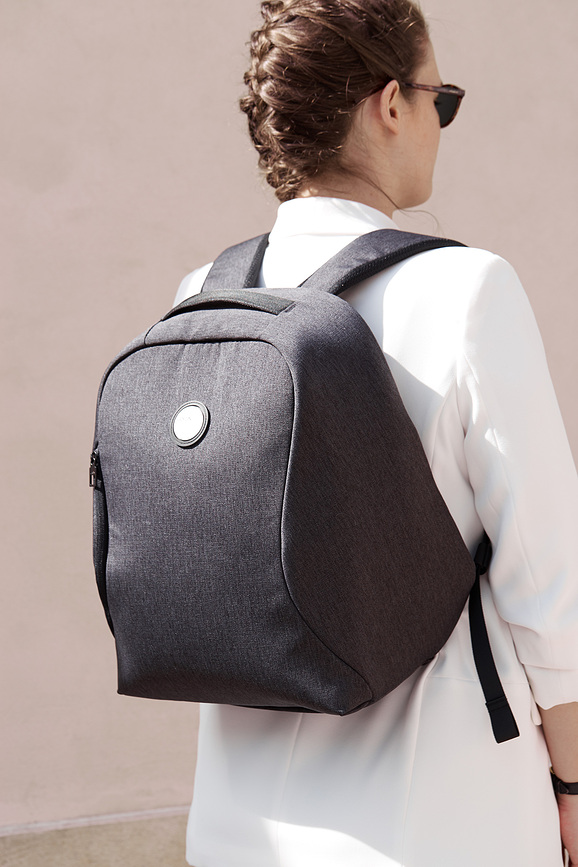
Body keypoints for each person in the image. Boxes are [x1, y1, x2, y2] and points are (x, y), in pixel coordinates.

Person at [174, 1, 578, 864]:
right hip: (440, 815)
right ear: (391, 103)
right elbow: (550, 587)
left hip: (239, 821)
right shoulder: (469, 289)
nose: (440, 124)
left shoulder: (200, 297)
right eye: (443, 99)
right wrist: (575, 783)